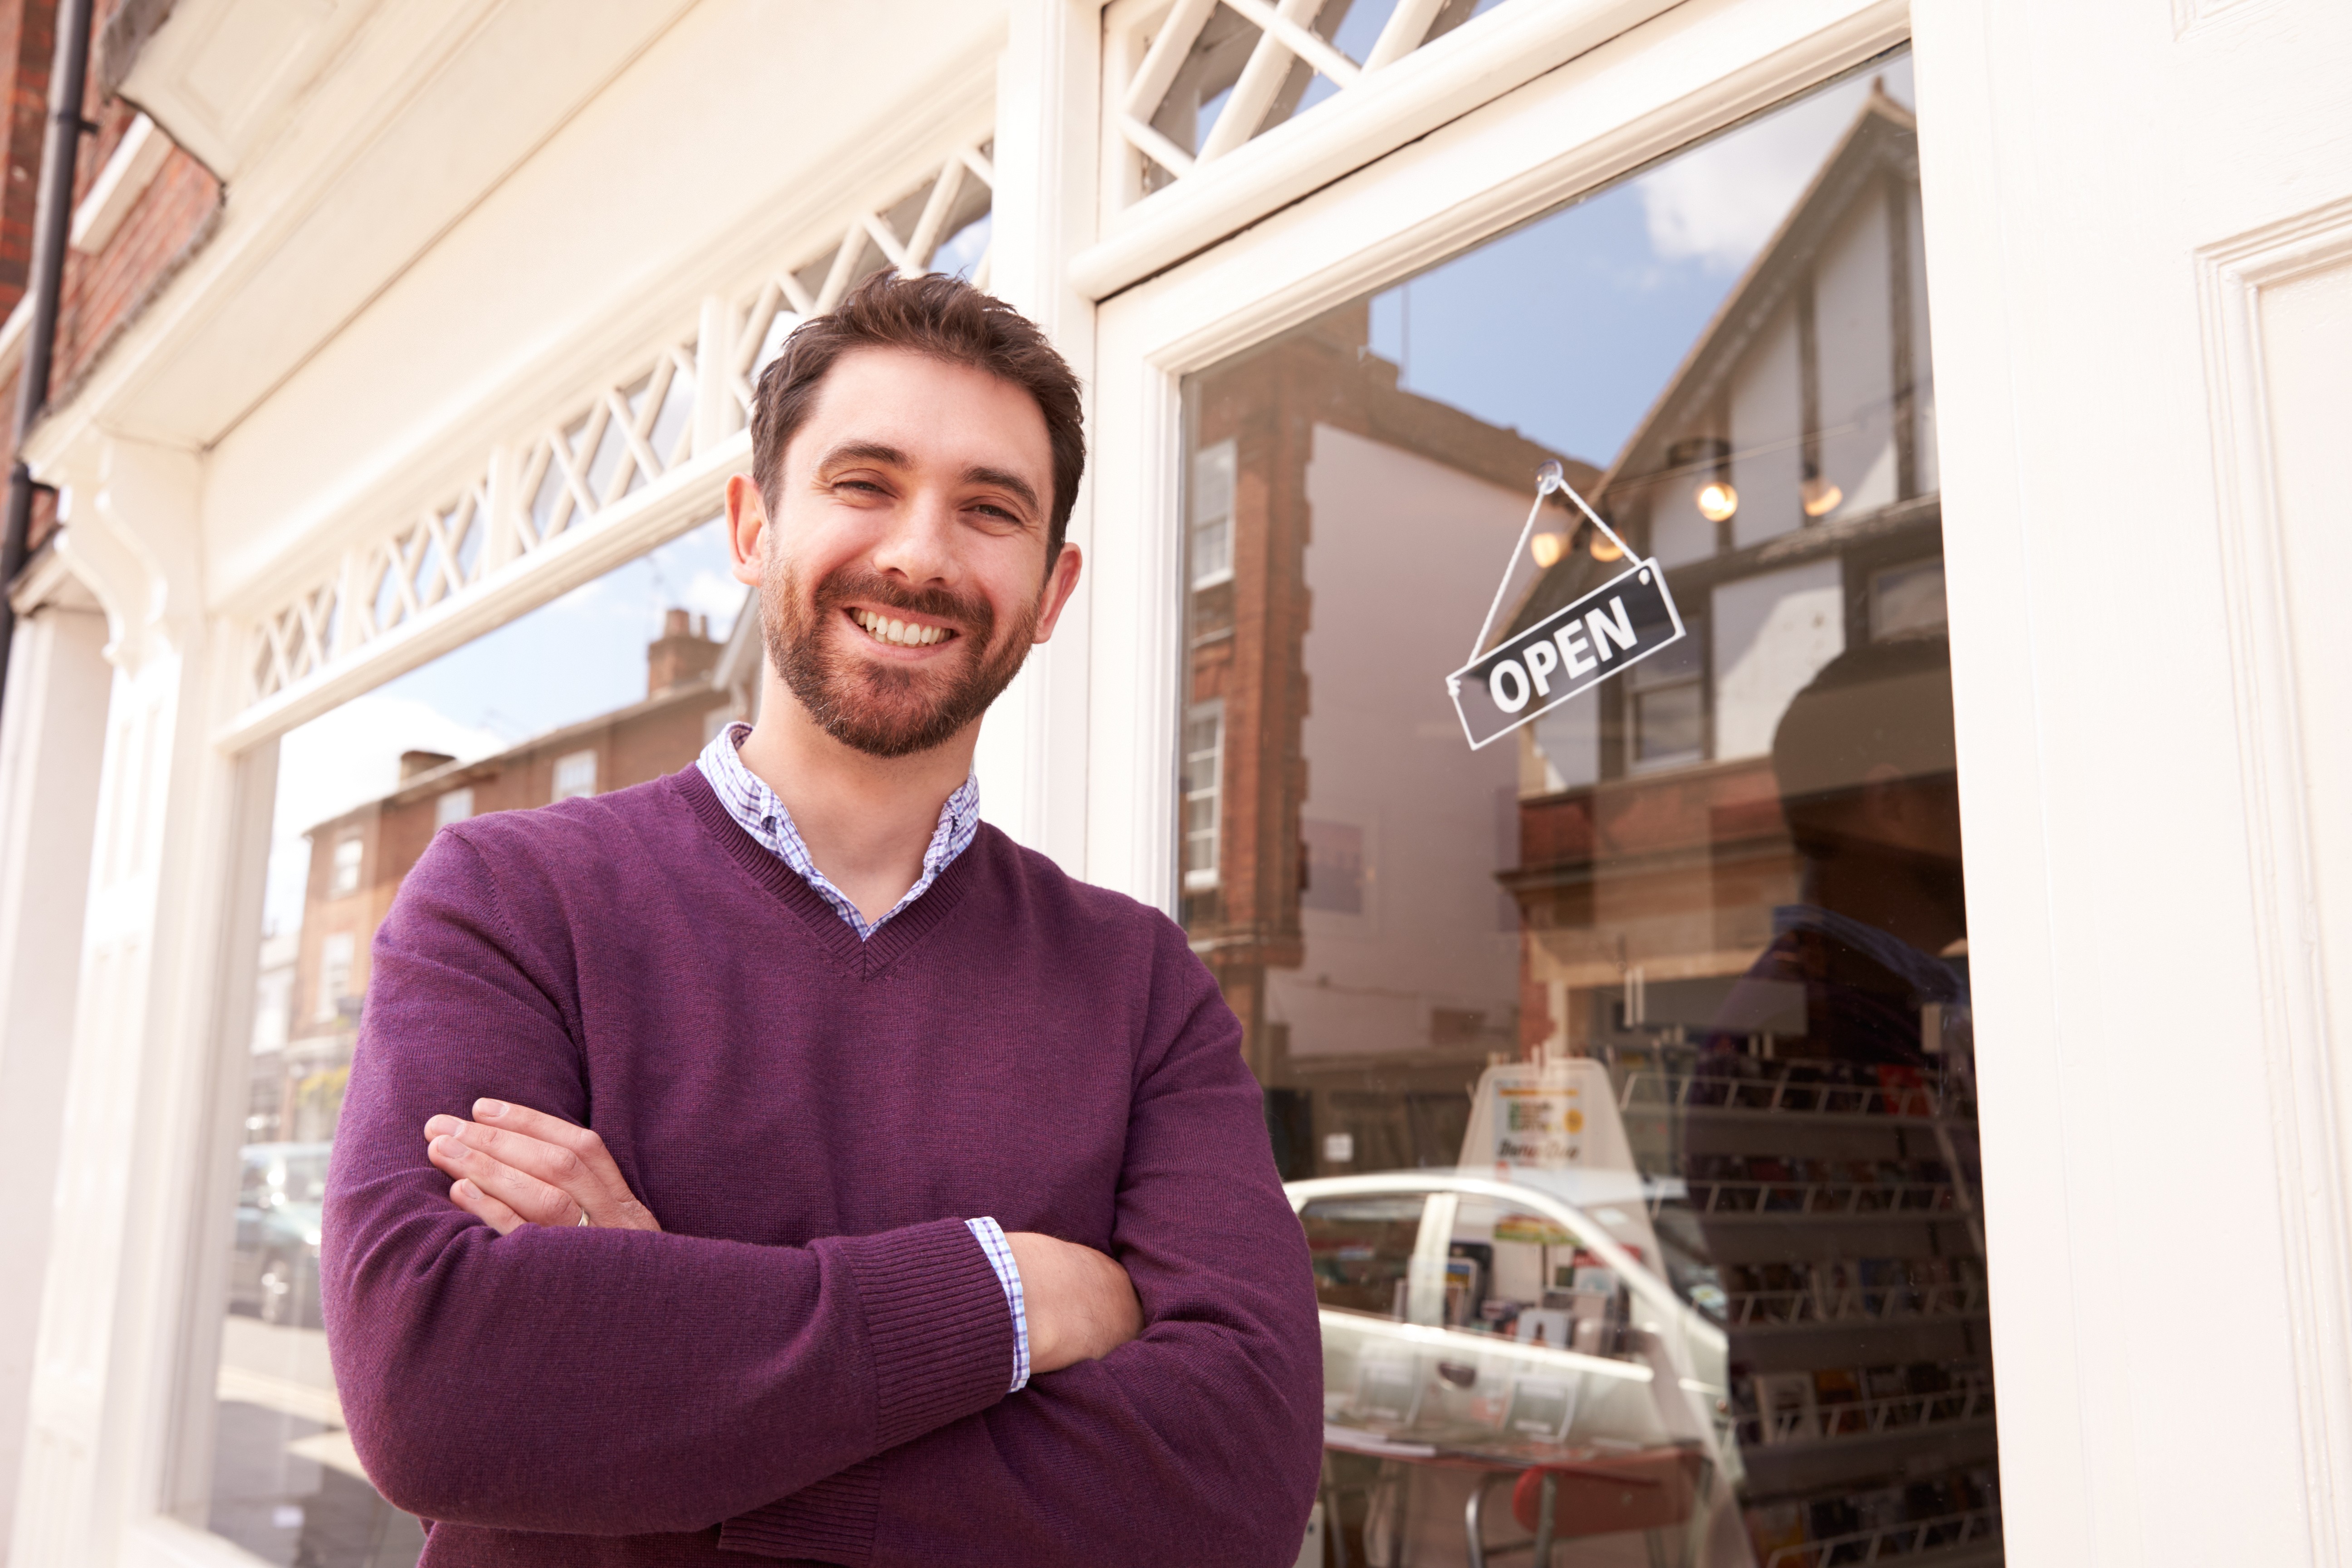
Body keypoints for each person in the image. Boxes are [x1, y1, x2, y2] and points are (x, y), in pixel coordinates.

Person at [321, 272, 1326, 1566]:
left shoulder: (1138, 983)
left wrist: (657, 1385)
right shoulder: (512, 900)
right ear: (753, 526)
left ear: (1054, 590)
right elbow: (439, 1388)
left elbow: (1231, 1486)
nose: (918, 552)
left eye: (989, 509)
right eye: (866, 483)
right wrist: (1011, 1294)